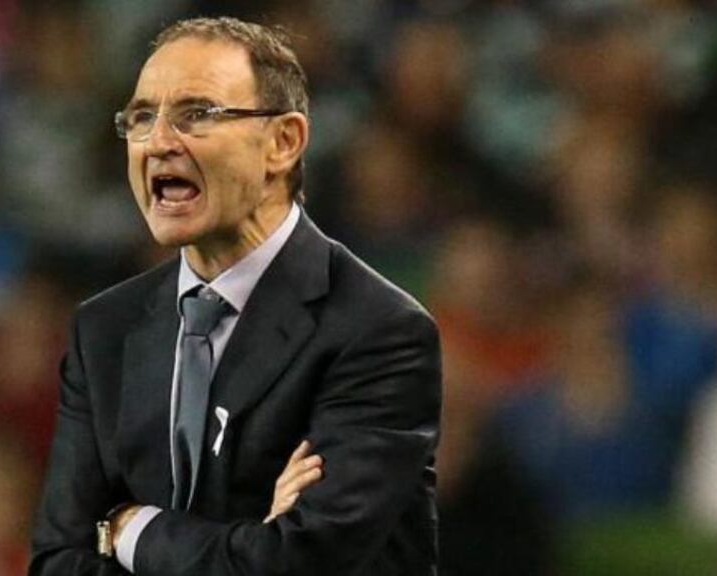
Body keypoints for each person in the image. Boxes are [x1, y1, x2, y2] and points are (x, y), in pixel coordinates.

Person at [30, 16, 441, 575]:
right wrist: (248, 542)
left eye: (196, 114)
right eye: (142, 117)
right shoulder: (104, 329)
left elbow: (297, 565)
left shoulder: (378, 331)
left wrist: (130, 529)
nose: (158, 142)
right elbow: (58, 562)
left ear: (284, 142)